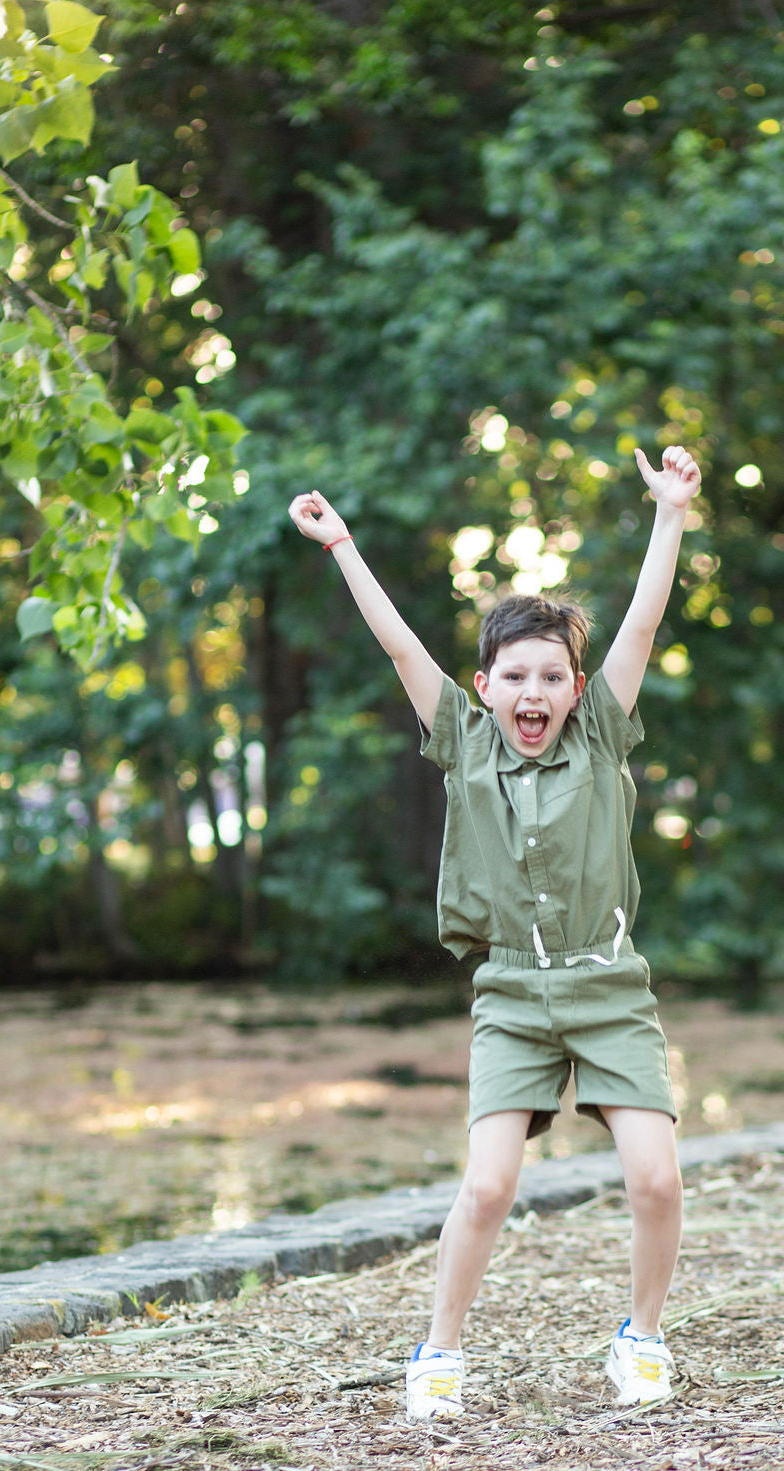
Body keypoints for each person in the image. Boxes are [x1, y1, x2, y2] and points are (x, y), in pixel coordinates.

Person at [287, 443, 702, 1418]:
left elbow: (641, 622)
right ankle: (437, 1353)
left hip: (607, 983)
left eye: (550, 677)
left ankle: (640, 1337)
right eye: (513, 675)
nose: (531, 694)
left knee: (656, 1181)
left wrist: (670, 514)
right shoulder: (465, 743)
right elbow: (398, 648)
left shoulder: (600, 734)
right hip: (512, 993)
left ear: (574, 688)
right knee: (485, 1189)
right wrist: (342, 543)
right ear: (484, 688)